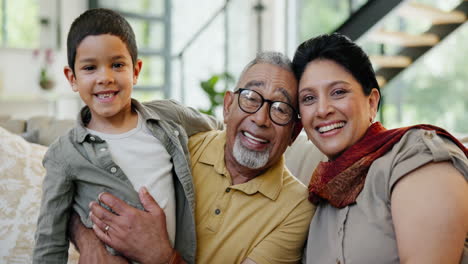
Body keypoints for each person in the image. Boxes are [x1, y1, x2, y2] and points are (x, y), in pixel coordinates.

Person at [73, 52, 315, 264]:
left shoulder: (297, 207)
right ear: (228, 106)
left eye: (280, 109)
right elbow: (74, 180)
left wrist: (162, 257)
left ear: (294, 132)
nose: (261, 119)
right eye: (251, 98)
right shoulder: (181, 145)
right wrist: (89, 243)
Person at [33, 8, 221, 264]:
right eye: (90, 67)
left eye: (117, 65)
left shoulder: (169, 116)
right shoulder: (64, 154)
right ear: (72, 78)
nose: (105, 78)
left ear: (135, 70)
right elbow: (49, 240)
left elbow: (221, 129)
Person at [292, 33, 468, 263]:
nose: (322, 110)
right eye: (308, 98)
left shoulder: (415, 154)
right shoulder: (318, 201)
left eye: (338, 92)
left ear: (371, 102)